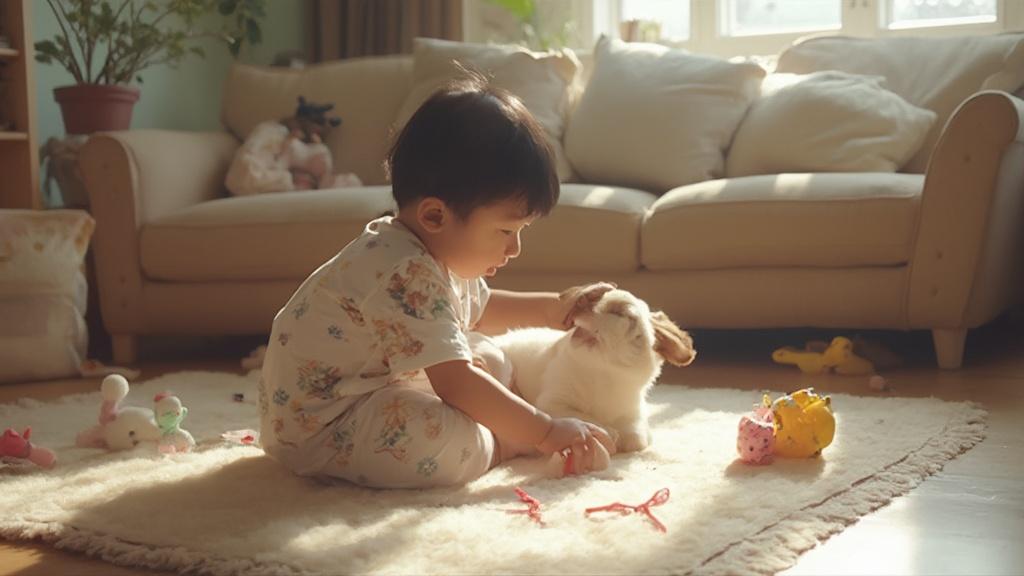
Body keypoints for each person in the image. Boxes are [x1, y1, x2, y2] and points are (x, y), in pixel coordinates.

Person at [258, 72, 616, 489]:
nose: (514, 248)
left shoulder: (433, 251)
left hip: (374, 388)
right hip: (325, 427)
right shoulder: (403, 270)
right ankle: (500, 444)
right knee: (435, 441)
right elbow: (456, 382)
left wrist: (555, 308)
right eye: (505, 231)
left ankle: (500, 425)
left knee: (490, 356)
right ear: (434, 215)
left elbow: (480, 309)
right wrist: (543, 431)